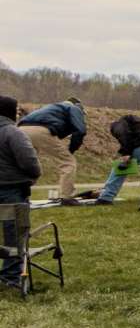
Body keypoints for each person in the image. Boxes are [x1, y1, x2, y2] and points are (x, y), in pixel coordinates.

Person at [0, 95, 43, 291]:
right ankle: (10, 277)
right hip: (12, 191)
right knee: (15, 236)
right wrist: (34, 175)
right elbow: (30, 163)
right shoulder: (13, 133)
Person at [18, 96, 86, 204]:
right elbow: (80, 130)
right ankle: (67, 197)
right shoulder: (73, 107)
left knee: (28, 165)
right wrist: (71, 150)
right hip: (40, 130)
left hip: (21, 130)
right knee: (68, 162)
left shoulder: (52, 107)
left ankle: (20, 197)